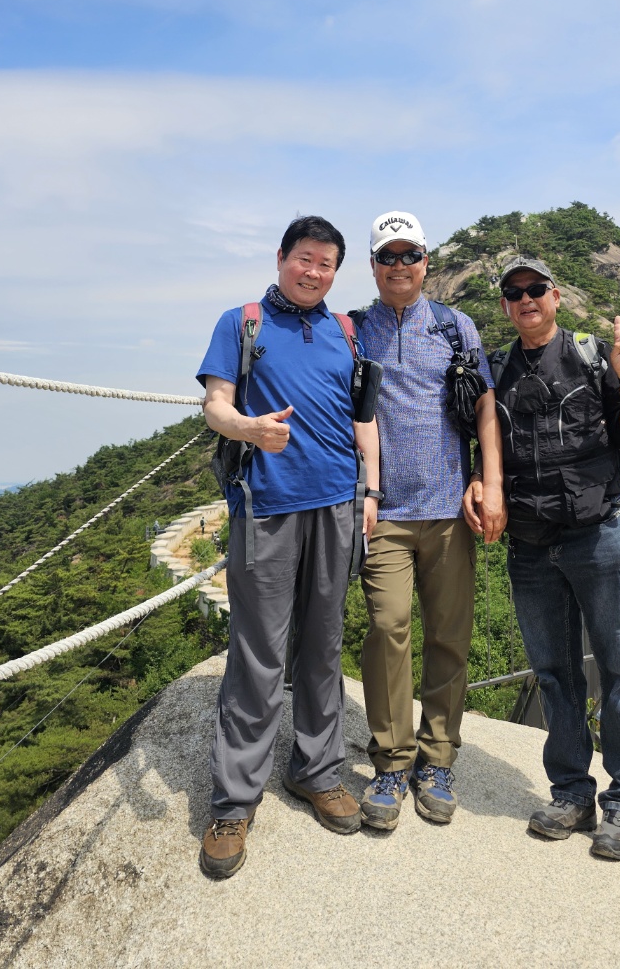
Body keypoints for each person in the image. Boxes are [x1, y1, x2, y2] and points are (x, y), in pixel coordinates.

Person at [196, 215, 380, 879]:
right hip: (267, 505)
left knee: (323, 643)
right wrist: (249, 428)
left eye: (326, 264)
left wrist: (371, 490)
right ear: (281, 258)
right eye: (305, 258)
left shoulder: (345, 332)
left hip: (336, 504)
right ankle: (233, 802)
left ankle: (317, 771)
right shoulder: (242, 323)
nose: (314, 272)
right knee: (259, 651)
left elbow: (362, 416)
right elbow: (216, 405)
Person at [492, 254, 620, 862]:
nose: (526, 299)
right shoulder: (497, 370)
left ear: (555, 296)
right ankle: (571, 793)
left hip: (598, 532)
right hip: (530, 542)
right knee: (555, 672)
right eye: (515, 293)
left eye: (536, 289)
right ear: (506, 306)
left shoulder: (592, 357)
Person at [352, 210, 504, 832]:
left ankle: (437, 760)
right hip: (385, 511)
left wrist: (491, 482)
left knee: (448, 636)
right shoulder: (353, 330)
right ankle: (392, 762)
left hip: (449, 511)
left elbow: (485, 405)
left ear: (426, 262)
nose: (399, 266)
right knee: (387, 627)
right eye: (387, 256)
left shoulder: (454, 325)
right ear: (373, 266)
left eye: (409, 254)